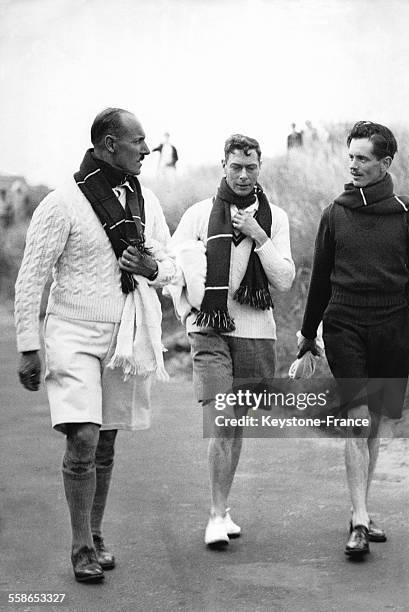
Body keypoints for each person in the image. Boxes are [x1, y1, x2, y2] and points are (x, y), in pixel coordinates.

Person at [14, 108, 176, 582]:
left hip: (124, 336)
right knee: (82, 435)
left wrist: (149, 269)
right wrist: (29, 345)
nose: (148, 150)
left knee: (104, 439)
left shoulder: (146, 198)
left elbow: (170, 267)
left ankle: (96, 532)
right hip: (71, 333)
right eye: (138, 141)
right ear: (109, 144)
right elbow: (32, 278)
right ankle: (81, 546)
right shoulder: (63, 202)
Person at [297, 121, 409, 557]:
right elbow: (319, 282)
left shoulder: (407, 212)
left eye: (363, 158)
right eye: (351, 157)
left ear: (385, 163)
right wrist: (308, 336)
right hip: (345, 327)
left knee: (373, 422)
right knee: (357, 417)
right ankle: (358, 520)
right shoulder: (335, 214)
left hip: (393, 329)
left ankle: (362, 507)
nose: (353, 165)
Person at [168, 134, 295, 547]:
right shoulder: (198, 215)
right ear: (223, 165)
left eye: (251, 167)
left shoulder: (275, 219)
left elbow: (285, 280)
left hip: (255, 330)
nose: (243, 175)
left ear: (260, 168)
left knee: (235, 423)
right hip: (210, 331)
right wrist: (188, 312)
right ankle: (215, 514)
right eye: (236, 166)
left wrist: (259, 236)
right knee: (221, 419)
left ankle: (223, 508)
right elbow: (174, 269)